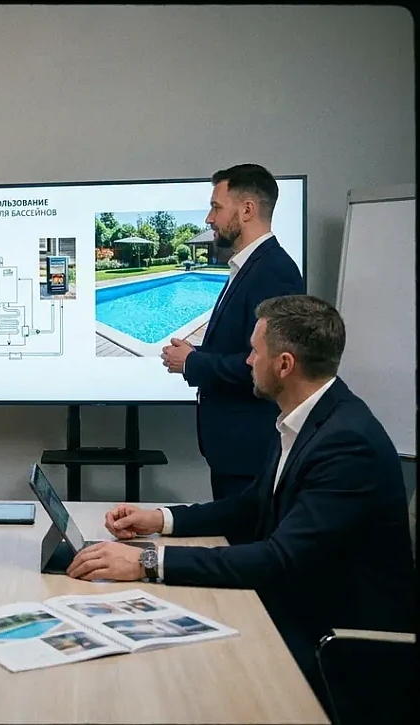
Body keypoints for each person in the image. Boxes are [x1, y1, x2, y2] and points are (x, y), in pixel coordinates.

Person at [69, 295, 416, 712]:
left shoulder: (346, 443)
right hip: (298, 609)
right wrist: (159, 519)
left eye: (254, 351)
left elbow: (279, 559)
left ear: (284, 365)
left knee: (173, 680)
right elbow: (250, 506)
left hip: (337, 645)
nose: (248, 361)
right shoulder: (309, 417)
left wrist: (146, 562)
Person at [162, 164, 305, 501]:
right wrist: (196, 354)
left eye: (216, 207)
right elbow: (245, 347)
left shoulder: (273, 271)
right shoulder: (250, 266)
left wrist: (193, 363)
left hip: (250, 452)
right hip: (234, 452)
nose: (209, 219)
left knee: (242, 532)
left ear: (247, 210)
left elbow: (270, 364)